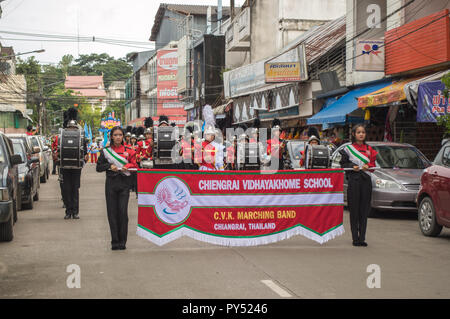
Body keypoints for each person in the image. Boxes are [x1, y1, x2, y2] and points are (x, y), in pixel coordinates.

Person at [96, 126, 137, 250]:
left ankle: (122, 242)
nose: (118, 137)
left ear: (123, 136)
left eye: (120, 135)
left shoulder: (130, 151)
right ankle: (114, 241)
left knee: (122, 212)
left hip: (124, 184)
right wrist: (109, 166)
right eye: (115, 135)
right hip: (111, 184)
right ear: (111, 137)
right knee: (112, 213)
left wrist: (128, 165)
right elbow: (98, 167)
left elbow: (135, 165)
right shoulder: (105, 151)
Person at [339, 124, 377, 247]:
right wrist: (352, 167)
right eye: (359, 132)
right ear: (354, 134)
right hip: (354, 181)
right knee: (354, 210)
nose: (361, 134)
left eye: (363, 132)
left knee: (364, 210)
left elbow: (373, 167)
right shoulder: (348, 149)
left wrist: (368, 167)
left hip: (366, 181)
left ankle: (362, 238)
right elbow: (343, 164)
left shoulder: (370, 149)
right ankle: (355, 238)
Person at [60, 108, 89, 219]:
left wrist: (85, 156)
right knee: (66, 189)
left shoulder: (80, 135)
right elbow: (59, 149)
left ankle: (75, 211)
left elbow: (84, 149)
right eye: (70, 126)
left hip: (76, 166)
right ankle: (68, 211)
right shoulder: (63, 134)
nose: (72, 128)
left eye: (73, 126)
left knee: (75, 188)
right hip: (65, 166)